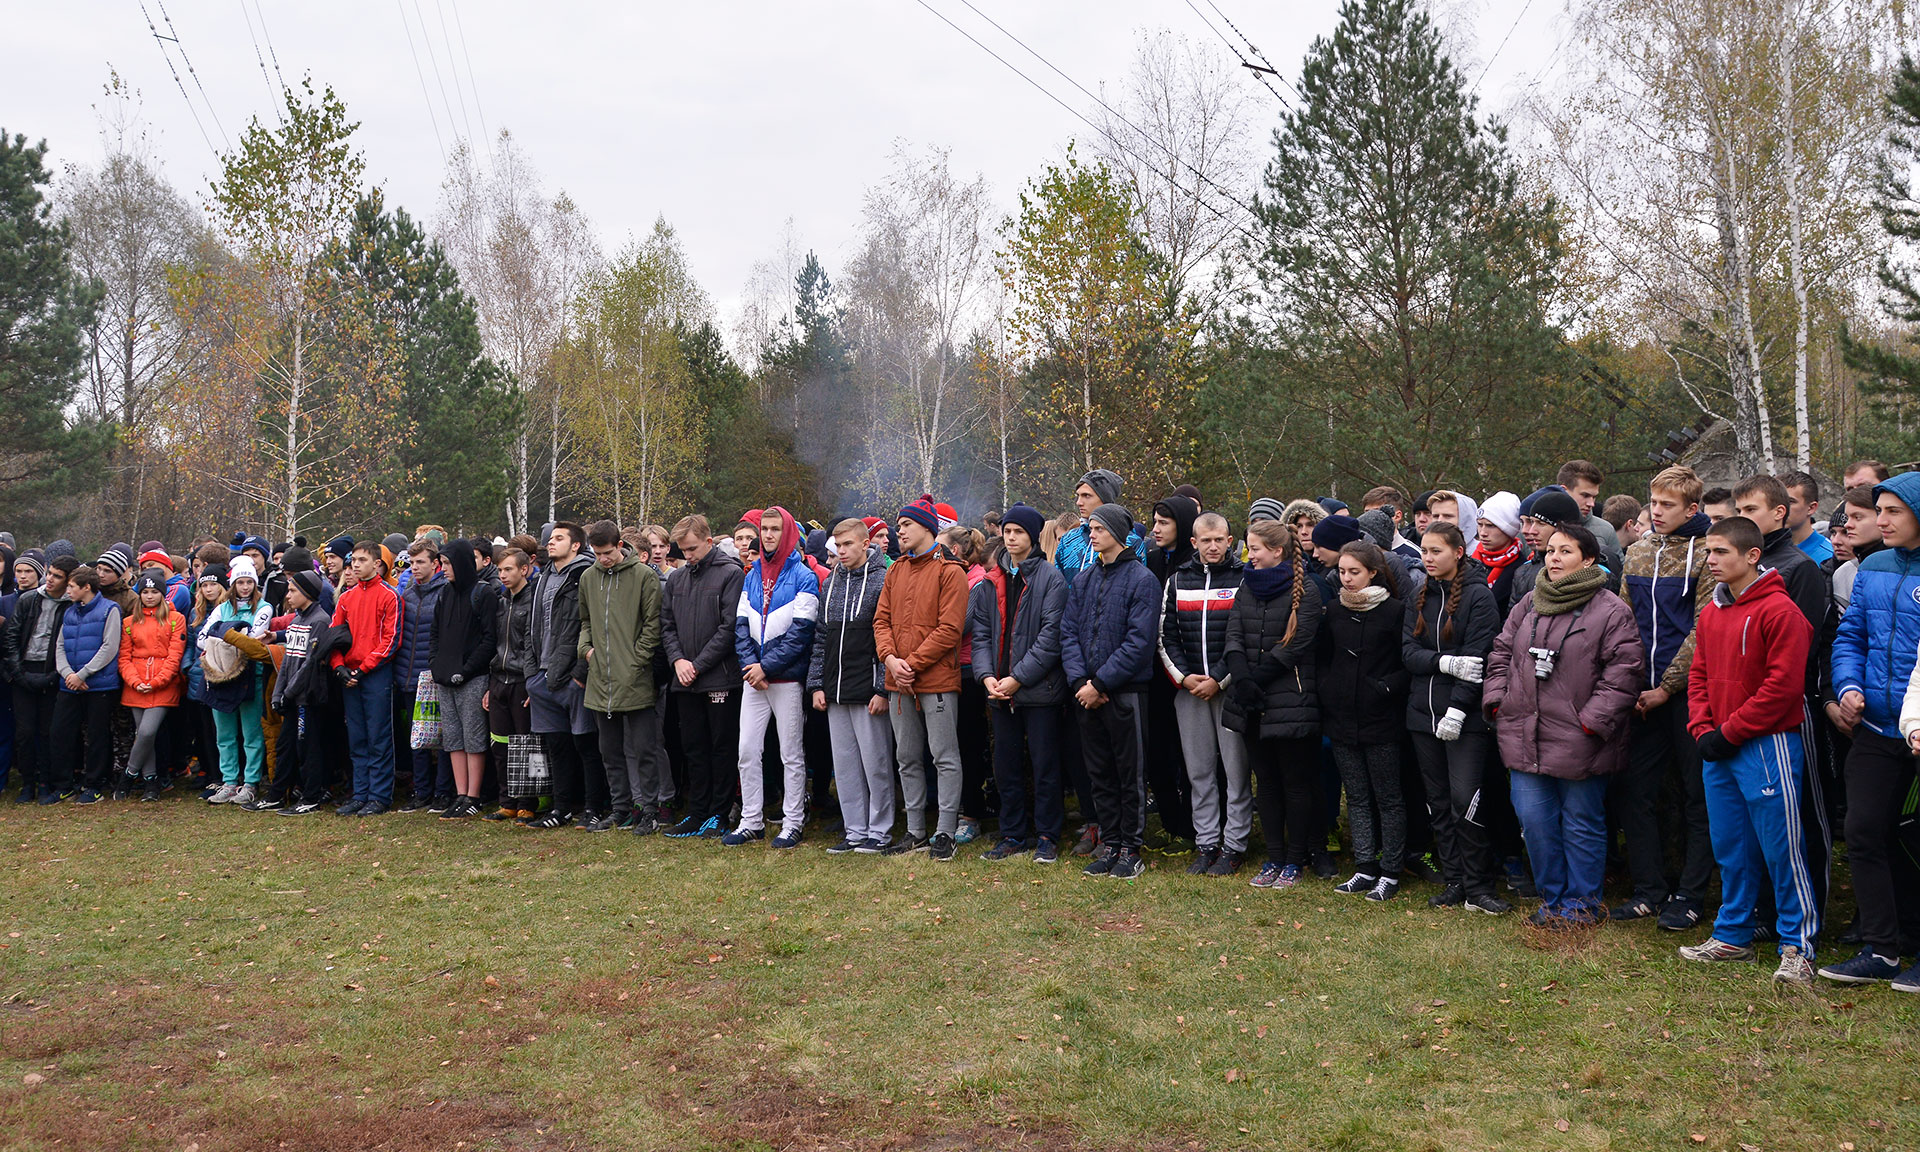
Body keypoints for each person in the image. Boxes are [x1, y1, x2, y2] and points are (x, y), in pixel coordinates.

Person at [1680, 516, 1819, 985]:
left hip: (1766, 745)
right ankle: (1732, 934)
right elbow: (1698, 675)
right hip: (1718, 746)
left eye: (1720, 552)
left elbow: (1782, 689)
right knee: (1730, 845)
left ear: (1752, 555)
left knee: (1782, 849)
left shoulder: (1781, 612)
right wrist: (1703, 729)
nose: (1710, 560)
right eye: (1708, 551)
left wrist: (1730, 731)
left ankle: (1797, 947)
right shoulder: (1712, 612)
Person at [1484, 523, 1644, 926]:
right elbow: (1501, 651)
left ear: (1588, 560)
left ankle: (1581, 905)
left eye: (1565, 551)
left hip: (1581, 738)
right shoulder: (1529, 602)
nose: (1554, 558)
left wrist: (1589, 723)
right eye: (1551, 550)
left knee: (1581, 823)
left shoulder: (1611, 610)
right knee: (1534, 821)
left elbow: (1624, 672)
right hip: (1526, 732)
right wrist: (1499, 700)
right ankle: (1552, 901)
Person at [1829, 471, 1920, 988]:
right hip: (1876, 727)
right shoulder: (1876, 566)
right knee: (1863, 830)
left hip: (1919, 729)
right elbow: (1851, 635)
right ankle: (1882, 949)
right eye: (1877, 511)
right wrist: (1847, 686)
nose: (1879, 521)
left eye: (1892, 512)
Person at [1616, 465, 1717, 930]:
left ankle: (1691, 894)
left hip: (1687, 693)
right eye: (1653, 502)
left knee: (1698, 795)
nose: (1656, 512)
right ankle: (1649, 890)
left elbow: (1702, 629)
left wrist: (1666, 688)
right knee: (1636, 790)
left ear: (1691, 509)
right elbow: (1624, 620)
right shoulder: (1637, 552)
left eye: (1667, 505)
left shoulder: (1708, 554)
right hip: (1641, 691)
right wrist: (1632, 681)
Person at [1404, 522, 1507, 913]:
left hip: (1465, 720)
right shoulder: (1419, 594)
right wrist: (1444, 662)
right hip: (1422, 715)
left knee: (1465, 798)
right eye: (1424, 551)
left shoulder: (1479, 597)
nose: (1428, 558)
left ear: (1458, 552)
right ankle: (1455, 881)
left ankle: (1480, 886)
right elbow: (1408, 654)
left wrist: (1458, 710)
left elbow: (1478, 660)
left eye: (1436, 551)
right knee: (1438, 801)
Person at [1063, 501, 1162, 881]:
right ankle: (1111, 844)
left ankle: (1131, 849)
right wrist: (1080, 683)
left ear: (1118, 534)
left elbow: (1139, 642)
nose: (1092, 534)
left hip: (1125, 693)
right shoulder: (1084, 579)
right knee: (1099, 773)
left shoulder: (1142, 580)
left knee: (1129, 774)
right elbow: (1068, 633)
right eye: (1091, 528)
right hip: (1086, 695)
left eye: (1099, 528)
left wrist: (1100, 683)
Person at [1224, 517, 1324, 888]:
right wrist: (1241, 675)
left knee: (1294, 783)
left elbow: (1296, 645)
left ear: (1277, 551)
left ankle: (1295, 860)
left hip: (1290, 700)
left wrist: (1257, 678)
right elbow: (1234, 633)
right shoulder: (1246, 584)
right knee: (1265, 782)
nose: (1249, 555)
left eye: (1255, 548)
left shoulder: (1306, 589)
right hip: (1250, 700)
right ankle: (1274, 857)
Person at [972, 503, 1070, 864]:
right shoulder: (991, 579)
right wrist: (987, 676)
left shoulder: (1051, 578)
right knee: (1006, 767)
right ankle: (1012, 834)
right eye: (1007, 532)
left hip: (1039, 689)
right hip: (999, 689)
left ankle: (1047, 836)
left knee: (1045, 767)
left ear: (1032, 536)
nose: (1011, 538)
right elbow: (981, 634)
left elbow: (1051, 638)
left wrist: (1017, 678)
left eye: (1018, 532)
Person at [872, 498, 970, 860]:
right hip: (899, 681)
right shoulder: (896, 570)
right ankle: (915, 831)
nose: (898, 531)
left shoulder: (951, 572)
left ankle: (945, 832)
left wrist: (909, 664)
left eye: (906, 525)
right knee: (907, 756)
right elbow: (881, 621)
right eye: (898, 525)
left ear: (927, 528)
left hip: (936, 680)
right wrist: (890, 659)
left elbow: (950, 629)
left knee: (944, 756)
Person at [1160, 512, 1251, 877]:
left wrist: (1218, 679)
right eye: (1205, 541)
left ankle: (1235, 845)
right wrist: (1185, 678)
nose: (1213, 547)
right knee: (1199, 772)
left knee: (1236, 771)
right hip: (1190, 691)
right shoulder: (1177, 580)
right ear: (1194, 542)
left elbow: (1244, 636)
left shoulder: (1243, 579)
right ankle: (1207, 843)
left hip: (1228, 689)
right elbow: (1165, 635)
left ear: (1229, 541)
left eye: (1219, 540)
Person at [1318, 541, 1409, 900]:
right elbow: (1323, 658)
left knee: (1388, 797)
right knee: (1355, 796)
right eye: (1342, 571)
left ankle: (1391, 870)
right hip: (1342, 717)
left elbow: (1406, 661)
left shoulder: (1395, 611)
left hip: (1381, 718)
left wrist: (1384, 688)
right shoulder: (1333, 610)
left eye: (1354, 571)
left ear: (1372, 572)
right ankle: (1365, 866)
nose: (1347, 578)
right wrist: (1330, 689)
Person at [726, 506, 819, 848]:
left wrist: (767, 667)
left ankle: (793, 821)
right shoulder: (751, 575)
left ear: (788, 532)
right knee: (747, 750)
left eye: (775, 529)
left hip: (786, 679)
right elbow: (740, 627)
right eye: (763, 528)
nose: (767, 534)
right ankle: (751, 820)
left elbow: (802, 632)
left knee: (790, 754)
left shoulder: (804, 575)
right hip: (754, 679)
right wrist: (753, 667)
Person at [810, 518, 893, 854]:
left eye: (847, 544)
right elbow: (821, 637)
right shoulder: (830, 582)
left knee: (876, 764)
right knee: (844, 766)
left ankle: (880, 831)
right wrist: (817, 684)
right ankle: (855, 830)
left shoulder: (884, 580)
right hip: (835, 689)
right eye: (837, 545)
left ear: (864, 543)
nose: (841, 551)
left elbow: (889, 637)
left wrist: (882, 688)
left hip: (868, 689)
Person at [577, 521, 666, 834]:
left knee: (645, 749)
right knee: (610, 751)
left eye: (607, 552)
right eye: (597, 553)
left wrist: (636, 660)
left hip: (636, 678)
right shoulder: (588, 578)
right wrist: (586, 649)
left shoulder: (644, 576)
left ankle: (650, 811)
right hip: (600, 679)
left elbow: (653, 625)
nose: (603, 559)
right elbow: (585, 621)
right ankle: (620, 809)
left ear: (619, 546)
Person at [660, 515, 745, 838]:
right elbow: (667, 626)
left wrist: (697, 664)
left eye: (692, 549)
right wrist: (678, 660)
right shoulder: (677, 579)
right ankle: (697, 811)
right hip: (684, 680)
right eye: (683, 550)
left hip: (720, 677)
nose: (688, 555)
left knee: (721, 747)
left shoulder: (731, 574)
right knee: (693, 747)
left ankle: (719, 813)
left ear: (709, 542)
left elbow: (729, 628)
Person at [526, 524, 600, 830]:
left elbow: (592, 626)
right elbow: (533, 627)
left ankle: (593, 808)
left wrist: (580, 674)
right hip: (542, 676)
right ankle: (562, 808)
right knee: (556, 747)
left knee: (586, 745)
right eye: (551, 538)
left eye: (559, 538)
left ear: (576, 545)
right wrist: (532, 675)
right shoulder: (543, 576)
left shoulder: (585, 574)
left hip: (573, 676)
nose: (551, 542)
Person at [428, 539, 500, 820]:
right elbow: (435, 633)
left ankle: (474, 795)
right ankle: (460, 794)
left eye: (447, 563)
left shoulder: (484, 593)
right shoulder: (445, 593)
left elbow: (489, 639)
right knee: (453, 738)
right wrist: (435, 664)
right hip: (445, 677)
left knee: (473, 737)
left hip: (472, 677)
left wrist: (468, 669)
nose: (443, 568)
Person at [329, 542, 401, 816]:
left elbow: (390, 640)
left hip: (375, 674)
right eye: (353, 561)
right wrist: (339, 667)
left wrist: (364, 669)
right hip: (350, 675)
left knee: (378, 736)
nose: (355, 565)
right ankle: (360, 793)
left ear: (376, 563)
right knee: (357, 737)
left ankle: (379, 796)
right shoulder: (346, 598)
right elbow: (334, 636)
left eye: (361, 560)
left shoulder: (389, 596)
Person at [200, 557, 272, 805]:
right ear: (233, 585)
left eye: (249, 582)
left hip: (252, 676)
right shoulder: (221, 608)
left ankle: (250, 782)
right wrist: (232, 636)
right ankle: (229, 781)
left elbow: (253, 640)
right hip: (220, 676)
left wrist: (222, 635)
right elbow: (202, 637)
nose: (245, 587)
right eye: (240, 582)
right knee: (225, 735)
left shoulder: (264, 607)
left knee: (251, 734)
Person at [268, 569, 339, 814]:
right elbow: (288, 661)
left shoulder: (319, 620)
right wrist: (278, 694)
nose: (288, 596)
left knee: (308, 748)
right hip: (291, 696)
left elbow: (311, 663)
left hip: (307, 698)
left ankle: (311, 797)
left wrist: (289, 693)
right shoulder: (296, 620)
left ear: (307, 593)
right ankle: (277, 795)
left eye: (292, 590)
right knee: (285, 746)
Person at [2, 556, 72, 803]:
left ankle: (44, 781)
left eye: (57, 576)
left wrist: (54, 675)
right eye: (49, 573)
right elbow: (12, 637)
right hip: (23, 670)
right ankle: (27, 782)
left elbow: (69, 645)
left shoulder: (70, 605)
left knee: (47, 731)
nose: (50, 579)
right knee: (24, 731)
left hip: (51, 670)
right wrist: (17, 673)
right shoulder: (29, 599)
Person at [50, 567, 122, 804]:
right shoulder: (70, 611)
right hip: (69, 684)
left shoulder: (110, 610)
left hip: (99, 686)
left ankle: (94, 785)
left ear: (86, 587)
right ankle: (63, 785)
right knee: (61, 733)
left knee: (97, 735)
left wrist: (83, 674)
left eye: (72, 586)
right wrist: (68, 674)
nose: (68, 591)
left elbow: (109, 647)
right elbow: (60, 646)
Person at [941, 524, 994, 844]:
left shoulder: (976, 580)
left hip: (967, 671)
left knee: (968, 744)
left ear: (955, 550)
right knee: (950, 746)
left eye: (940, 546)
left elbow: (959, 625)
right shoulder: (952, 575)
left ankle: (972, 813)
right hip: (945, 668)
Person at [117, 571, 187, 802]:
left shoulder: (176, 619)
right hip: (135, 683)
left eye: (154, 591)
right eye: (145, 592)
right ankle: (150, 781)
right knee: (143, 735)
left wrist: (157, 681)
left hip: (163, 684)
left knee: (148, 731)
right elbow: (124, 657)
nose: (149, 596)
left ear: (162, 594)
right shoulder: (129, 622)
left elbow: (175, 655)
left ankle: (128, 775)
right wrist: (135, 681)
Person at [394, 541, 450, 812]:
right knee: (417, 738)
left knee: (442, 738)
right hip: (408, 674)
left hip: (434, 675)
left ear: (434, 564)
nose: (414, 568)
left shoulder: (445, 592)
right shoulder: (408, 593)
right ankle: (422, 790)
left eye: (420, 562)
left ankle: (443, 791)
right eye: (412, 563)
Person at [485, 547, 538, 821]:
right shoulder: (500, 601)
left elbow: (533, 645)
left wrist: (532, 683)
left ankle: (528, 802)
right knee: (500, 745)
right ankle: (507, 801)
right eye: (500, 570)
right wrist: (489, 684)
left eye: (508, 569)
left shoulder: (533, 601)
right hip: (499, 679)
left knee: (527, 746)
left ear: (524, 569)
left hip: (521, 680)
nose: (503, 575)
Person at [1055, 468, 1128, 585]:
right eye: (1078, 496)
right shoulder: (1068, 539)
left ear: (1105, 498)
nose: (1079, 502)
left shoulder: (1128, 540)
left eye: (1086, 496)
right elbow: (1058, 585)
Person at [1556, 460, 1624, 577]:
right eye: (1585, 495)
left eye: (1594, 497)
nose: (1591, 504)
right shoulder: (1539, 528)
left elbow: (1620, 576)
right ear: (1564, 491)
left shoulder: (1605, 530)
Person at [1472, 492, 1525, 617]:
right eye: (1480, 524)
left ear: (1508, 529)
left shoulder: (1522, 569)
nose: (1483, 533)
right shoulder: (1469, 561)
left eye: (1490, 526)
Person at [1781, 471, 1834, 564]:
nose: (1780, 508)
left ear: (1811, 508)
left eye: (1790, 502)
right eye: (1775, 501)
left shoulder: (1829, 557)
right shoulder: (1760, 550)